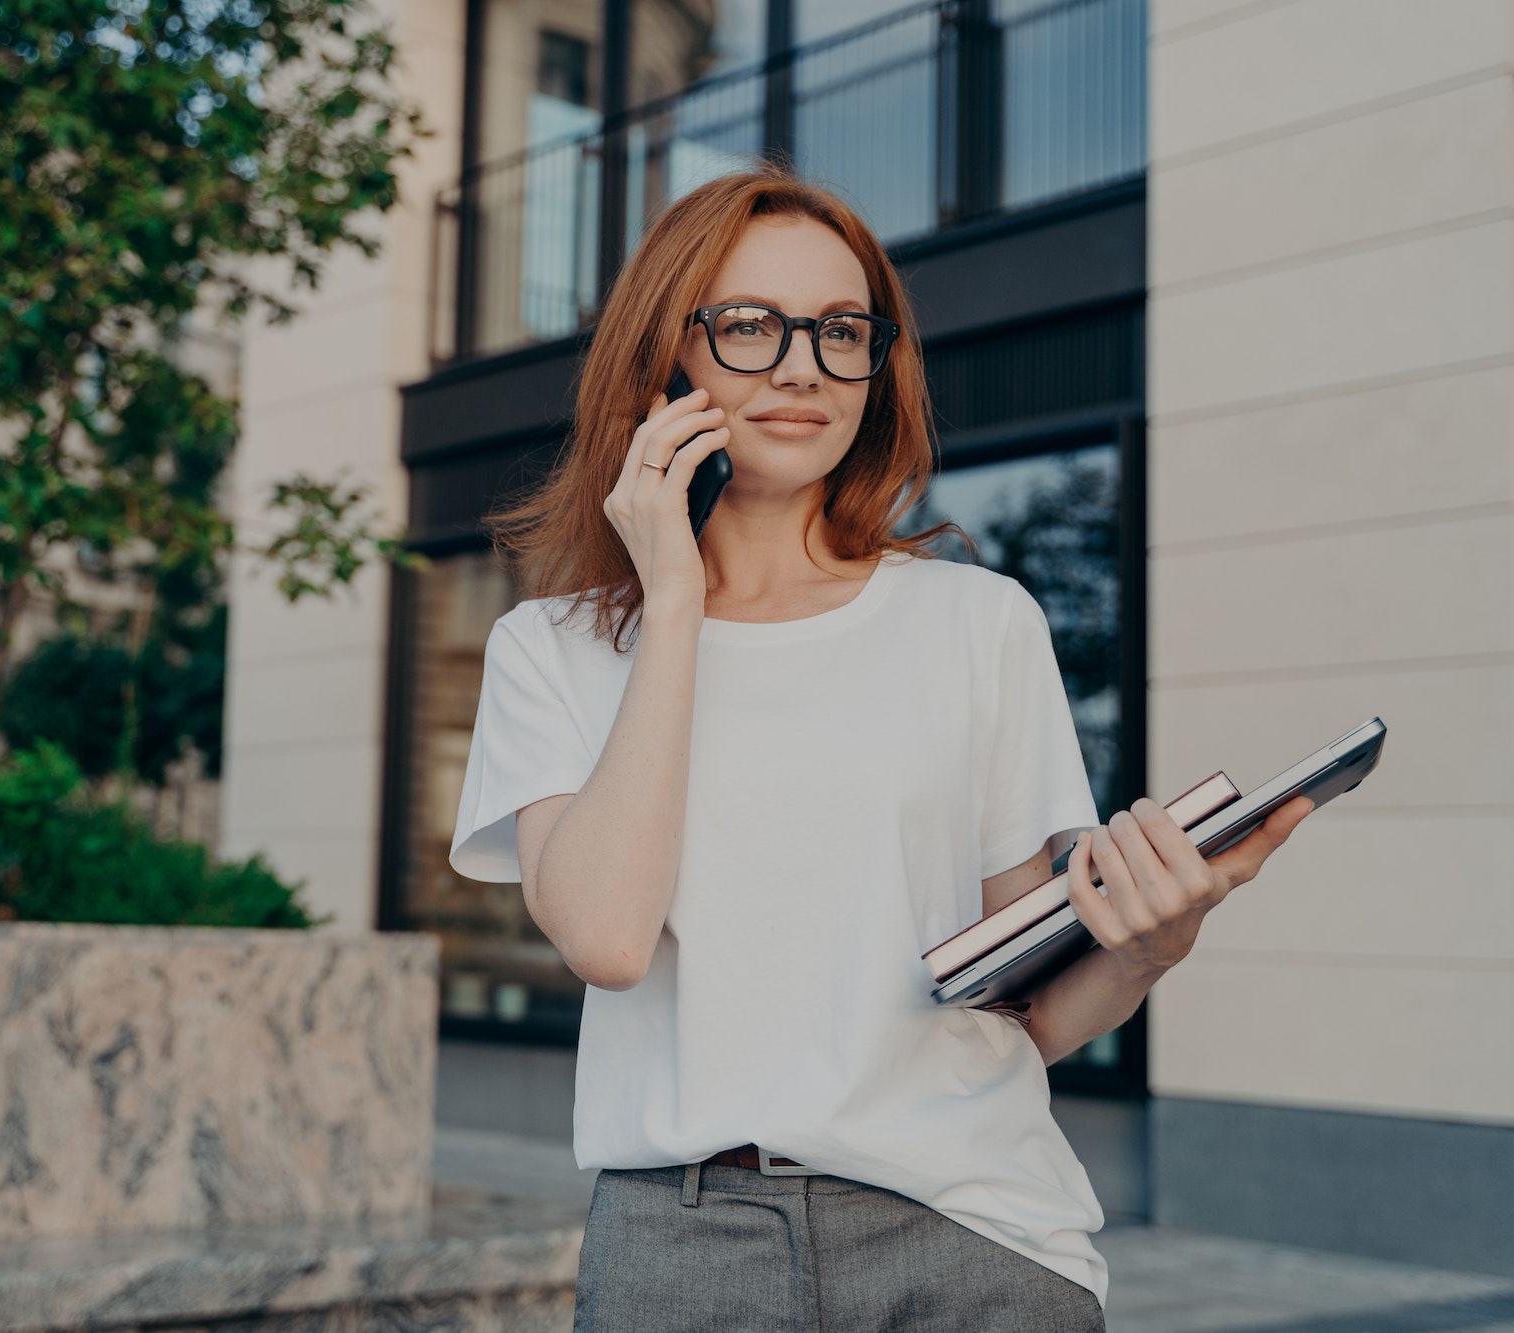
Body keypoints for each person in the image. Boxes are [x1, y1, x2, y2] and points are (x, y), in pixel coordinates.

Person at [446, 168, 1312, 1331]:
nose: (800, 365)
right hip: (686, 1246)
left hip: (975, 1238)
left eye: (839, 330)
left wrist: (1154, 941)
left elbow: (1024, 1009)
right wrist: (671, 599)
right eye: (747, 326)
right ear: (664, 360)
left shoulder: (975, 619)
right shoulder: (547, 650)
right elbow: (605, 937)